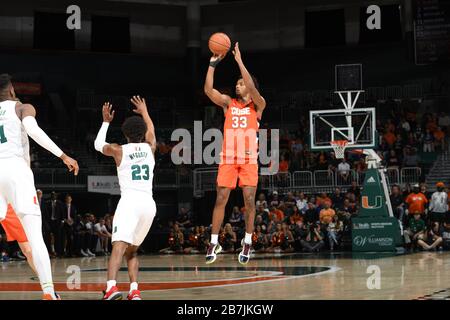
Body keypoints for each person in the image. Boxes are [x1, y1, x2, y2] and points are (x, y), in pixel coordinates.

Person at [0, 74, 79, 300]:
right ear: (12, 89)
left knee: (27, 247)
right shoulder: (22, 107)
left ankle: (50, 292)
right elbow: (34, 131)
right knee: (35, 239)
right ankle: (48, 293)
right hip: (16, 173)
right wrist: (63, 155)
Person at [204, 42, 266, 265]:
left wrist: (239, 61)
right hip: (229, 158)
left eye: (241, 84)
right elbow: (208, 91)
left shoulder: (258, 105)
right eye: (237, 84)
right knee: (221, 198)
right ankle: (214, 241)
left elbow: (250, 84)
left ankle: (247, 241)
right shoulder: (228, 103)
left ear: (249, 88)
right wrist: (212, 65)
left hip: (249, 159)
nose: (238, 86)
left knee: (249, 202)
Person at [94, 97, 157, 300]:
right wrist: (145, 111)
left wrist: (105, 121)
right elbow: (151, 130)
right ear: (142, 133)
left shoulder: (118, 150)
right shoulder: (150, 148)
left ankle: (111, 288)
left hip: (130, 202)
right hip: (149, 204)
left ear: (125, 133)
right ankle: (134, 291)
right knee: (132, 251)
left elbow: (97, 144)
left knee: (118, 247)